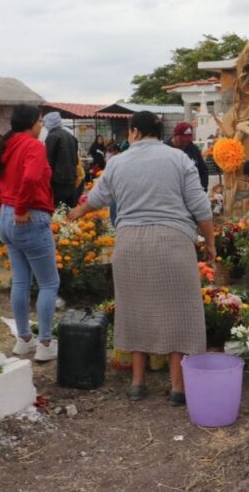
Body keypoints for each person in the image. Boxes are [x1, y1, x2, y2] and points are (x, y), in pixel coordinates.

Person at [68, 111, 216, 406]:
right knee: (178, 312)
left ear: (134, 131)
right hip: (172, 242)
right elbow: (200, 205)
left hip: (130, 244)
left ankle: (137, 383)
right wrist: (210, 242)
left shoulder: (117, 162)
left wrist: (76, 212)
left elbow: (97, 198)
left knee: (134, 310)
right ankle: (177, 387)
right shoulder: (179, 159)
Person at [0, 104, 60, 362]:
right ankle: (45, 343)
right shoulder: (34, 146)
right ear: (31, 123)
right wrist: (20, 208)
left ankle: (23, 339)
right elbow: (30, 178)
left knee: (21, 281)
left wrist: (1, 205)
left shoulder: (4, 144)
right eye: (40, 121)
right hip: (29, 216)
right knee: (49, 283)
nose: (41, 126)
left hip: (8, 218)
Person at [43, 111, 79, 208]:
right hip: (71, 180)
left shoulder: (52, 137)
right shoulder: (70, 136)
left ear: (49, 123)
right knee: (70, 212)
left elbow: (48, 161)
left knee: (59, 213)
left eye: (45, 123)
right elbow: (76, 160)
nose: (44, 126)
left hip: (58, 183)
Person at [166, 122, 209, 191]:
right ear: (174, 135)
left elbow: (203, 170)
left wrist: (202, 189)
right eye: (182, 140)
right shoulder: (165, 150)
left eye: (188, 140)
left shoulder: (193, 148)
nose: (185, 143)